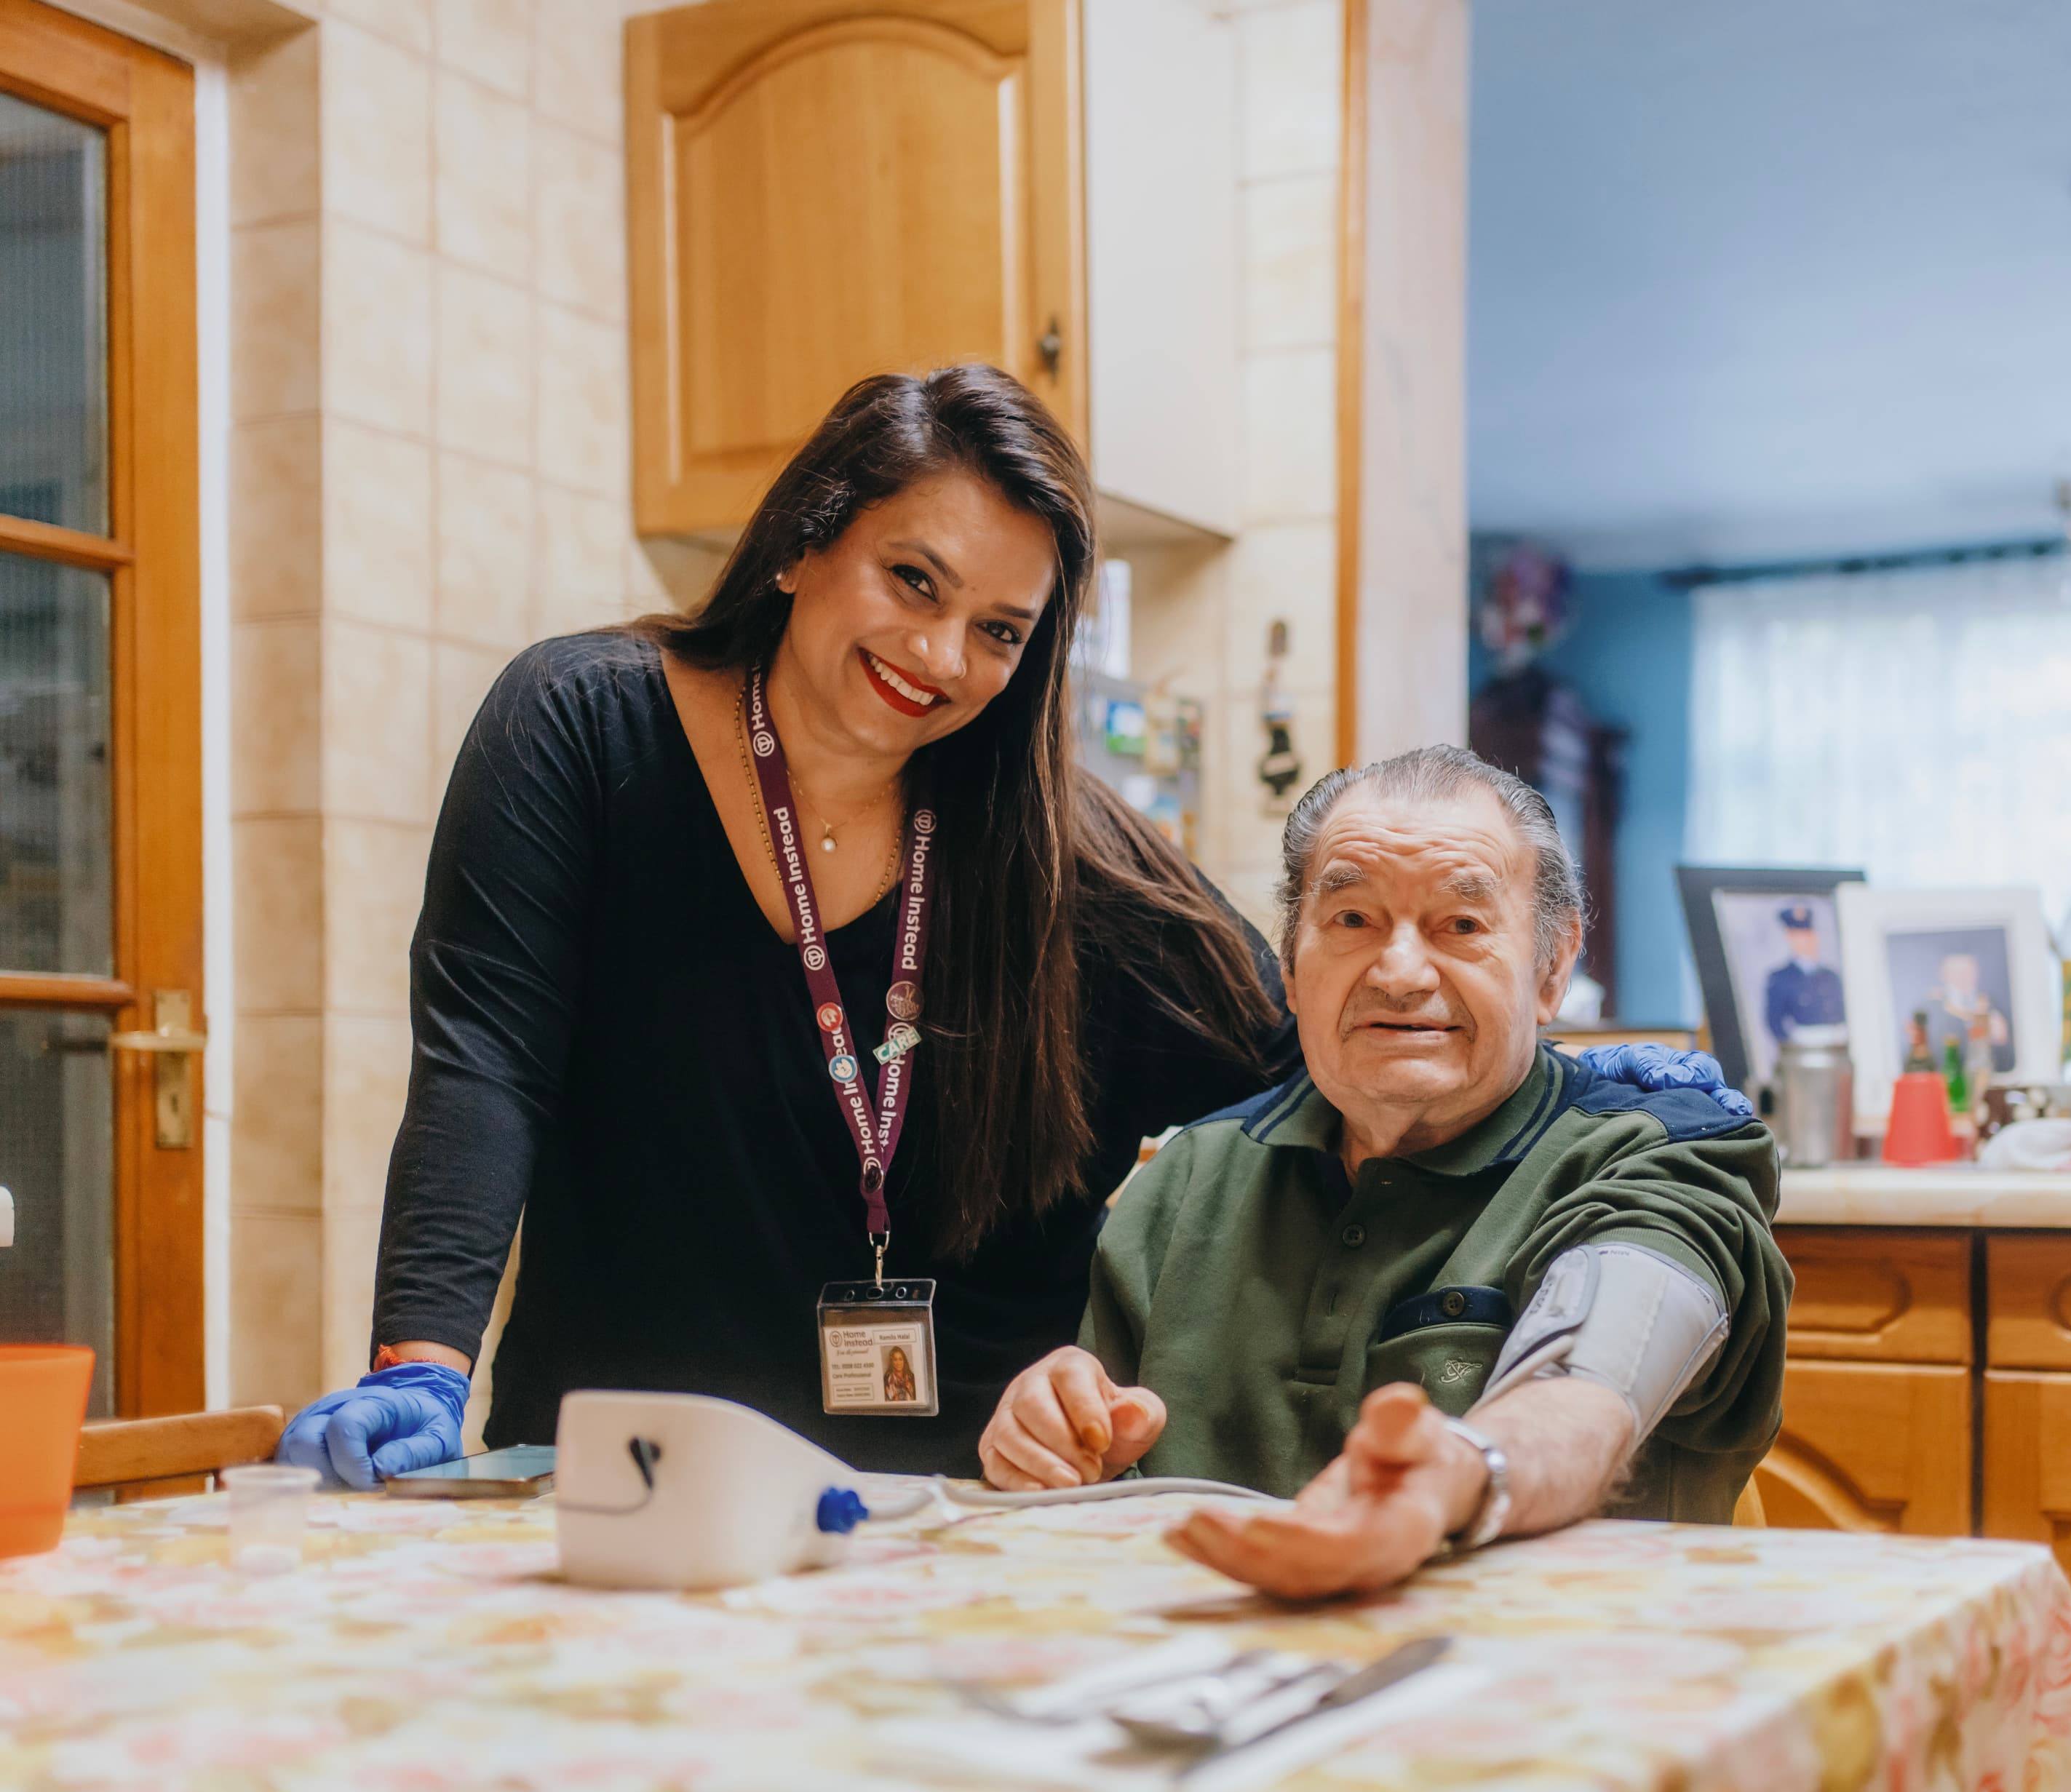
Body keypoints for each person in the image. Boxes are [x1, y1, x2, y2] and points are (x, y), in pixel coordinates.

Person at [271, 365, 1743, 1489]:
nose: (938, 654)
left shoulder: (1072, 861)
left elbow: (1310, 1056)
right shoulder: (583, 726)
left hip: (972, 1510)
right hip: (633, 1472)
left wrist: (1565, 1085)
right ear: (802, 543)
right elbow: (485, 1059)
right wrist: (422, 1360)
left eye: (998, 627)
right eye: (913, 580)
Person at [979, 746, 1789, 1599]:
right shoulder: (1192, 1173)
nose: (1400, 973)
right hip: (1222, 1693)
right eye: (1353, 920)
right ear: (1290, 966)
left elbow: (1591, 1381)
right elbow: (1097, 1472)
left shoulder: (1667, 1149)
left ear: (1553, 967)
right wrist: (1051, 1431)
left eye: (1463, 925)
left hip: (1554, 1690)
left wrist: (1461, 1472)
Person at [1762, 900, 1846, 1050]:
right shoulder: (1780, 978)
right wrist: (1791, 1049)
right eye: (1799, 936)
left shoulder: (1831, 975)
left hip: (1839, 1045)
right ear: (1790, 938)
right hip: (1806, 1048)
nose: (1805, 941)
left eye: (1808, 934)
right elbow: (1774, 1021)